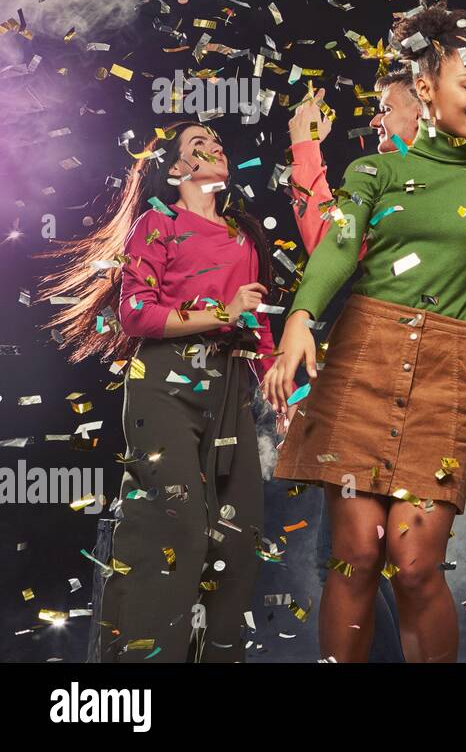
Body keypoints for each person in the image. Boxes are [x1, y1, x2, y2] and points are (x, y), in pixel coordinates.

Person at [264, 2, 466, 663]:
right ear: (427, 89)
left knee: (414, 564)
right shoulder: (371, 174)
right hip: (362, 366)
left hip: (443, 377)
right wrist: (298, 320)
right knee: (353, 557)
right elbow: (336, 250)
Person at [42, 122, 276, 661]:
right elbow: (134, 313)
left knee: (237, 542)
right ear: (174, 169)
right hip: (165, 383)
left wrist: (282, 388)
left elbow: (257, 321)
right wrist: (221, 311)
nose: (214, 148)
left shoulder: (244, 236)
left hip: (232, 385)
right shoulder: (157, 223)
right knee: (177, 534)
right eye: (198, 145)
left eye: (217, 142)